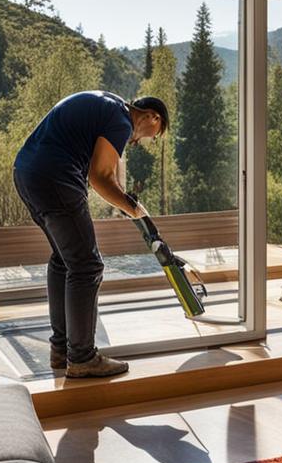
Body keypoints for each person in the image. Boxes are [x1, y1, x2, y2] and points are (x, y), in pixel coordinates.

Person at [13, 91, 168, 377]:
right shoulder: (122, 120)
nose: (145, 141)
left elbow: (112, 176)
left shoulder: (109, 105)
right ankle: (82, 357)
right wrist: (135, 210)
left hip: (26, 173)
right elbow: (99, 177)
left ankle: (61, 350)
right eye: (154, 135)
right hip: (55, 177)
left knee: (64, 260)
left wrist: (126, 202)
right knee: (87, 266)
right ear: (152, 117)